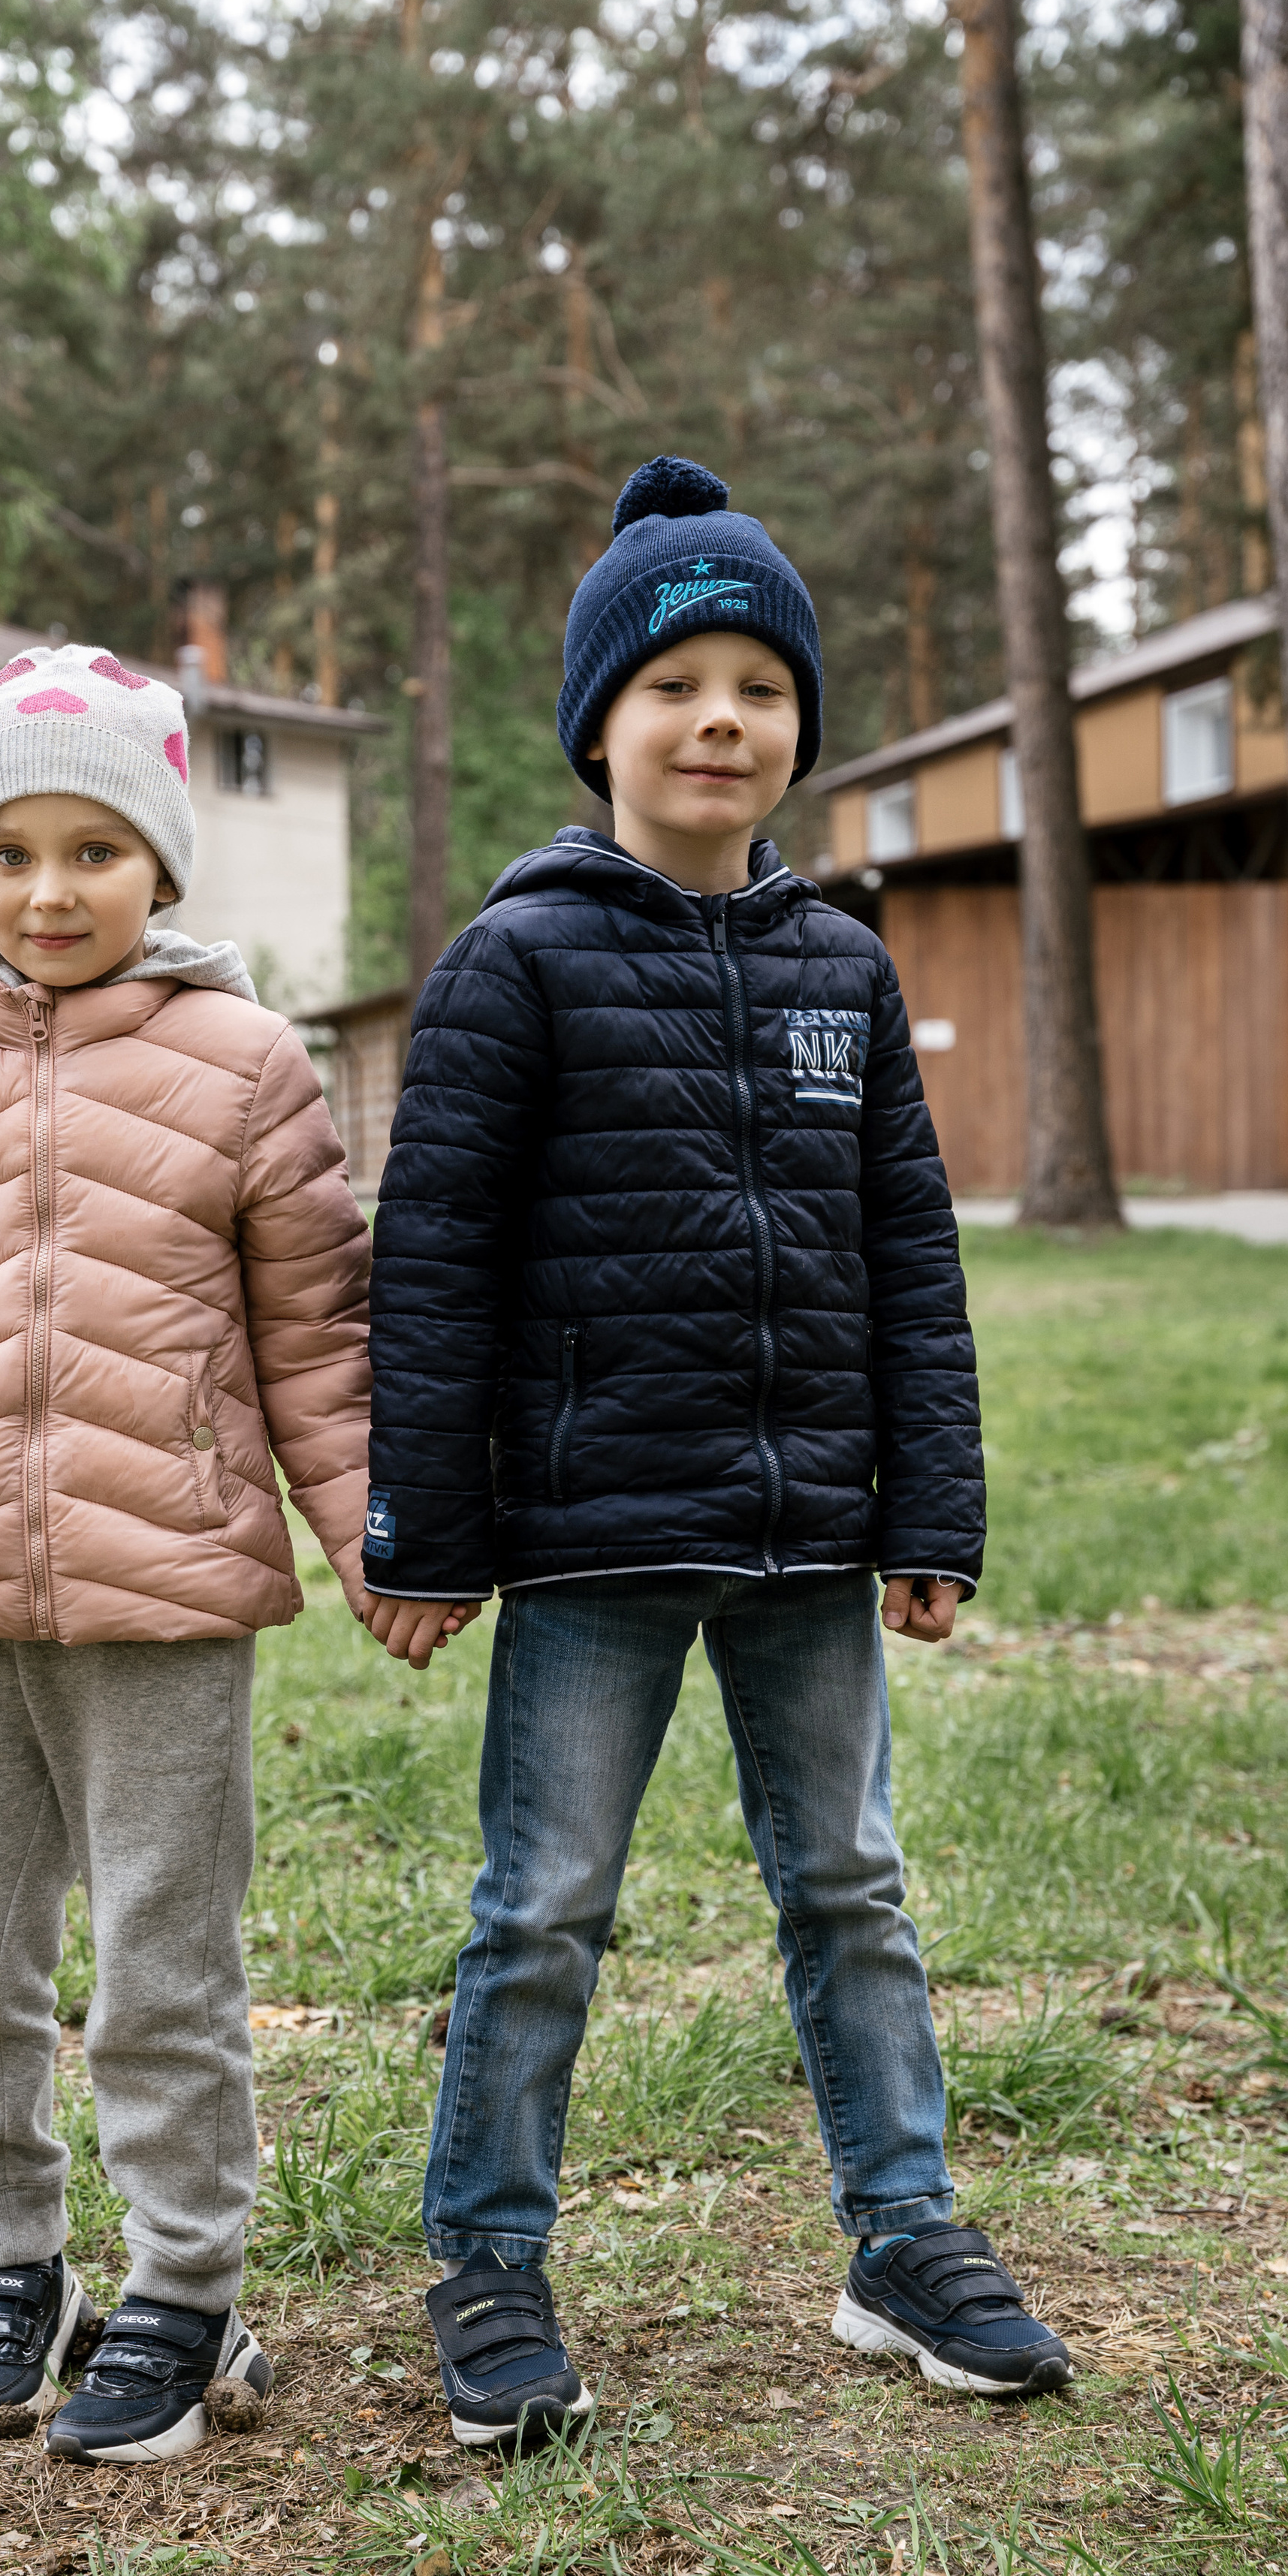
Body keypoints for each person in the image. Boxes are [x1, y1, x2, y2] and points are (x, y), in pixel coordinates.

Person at [360, 457, 1072, 2451]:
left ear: (797, 733)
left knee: (851, 1881)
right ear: (602, 725)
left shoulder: (846, 967)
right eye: (675, 687)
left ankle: (901, 2233)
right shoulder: (518, 962)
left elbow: (911, 1270)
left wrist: (928, 1510)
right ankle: (489, 2259)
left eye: (761, 685)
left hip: (808, 1543)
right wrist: (423, 1525)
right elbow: (434, 1265)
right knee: (545, 1908)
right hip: (589, 1544)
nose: (720, 720)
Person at [0, 644, 372, 2463]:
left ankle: (185, 2289)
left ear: (162, 866)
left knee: (165, 1963)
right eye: (9, 851)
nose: (48, 890)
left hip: (169, 1594)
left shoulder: (248, 1066)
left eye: (93, 850)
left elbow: (322, 1338)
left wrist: (374, 1545)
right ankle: (12, 2260)